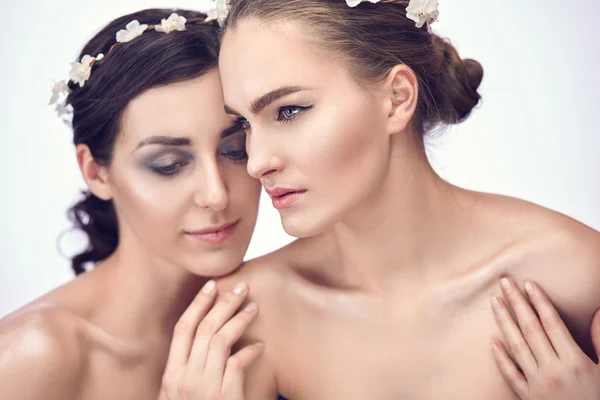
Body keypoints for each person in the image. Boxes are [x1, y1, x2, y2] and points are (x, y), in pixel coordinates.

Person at [211, 0, 600, 398]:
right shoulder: (243, 317)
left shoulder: (575, 274)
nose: (257, 162)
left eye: (289, 111)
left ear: (397, 97)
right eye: (244, 122)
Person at [0, 8, 263, 400]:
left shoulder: (273, 318)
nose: (215, 194)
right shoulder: (31, 357)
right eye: (168, 165)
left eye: (235, 150)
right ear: (95, 173)